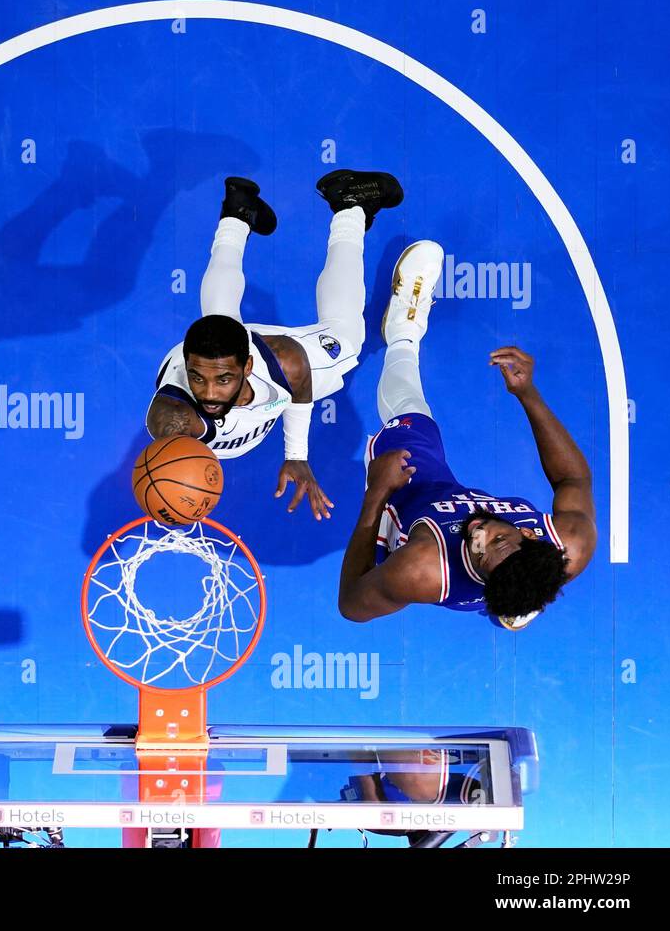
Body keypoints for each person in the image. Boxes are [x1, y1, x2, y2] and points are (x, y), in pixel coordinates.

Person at [337, 242, 597, 628]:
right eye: (497, 540)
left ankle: (403, 332)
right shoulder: (568, 545)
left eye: (479, 553)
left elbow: (351, 604)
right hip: (485, 542)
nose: (478, 535)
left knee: (411, 418)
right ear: (530, 534)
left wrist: (377, 493)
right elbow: (573, 478)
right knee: (530, 586)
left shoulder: (422, 569)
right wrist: (528, 394)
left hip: (413, 500)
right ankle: (516, 601)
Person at [147, 170, 402, 519]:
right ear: (188, 366)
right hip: (210, 354)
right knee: (218, 317)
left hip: (267, 357)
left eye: (222, 381)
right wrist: (167, 489)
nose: (207, 393)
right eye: (197, 378)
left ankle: (350, 205)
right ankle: (238, 214)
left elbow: (300, 386)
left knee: (347, 338)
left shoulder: (285, 364)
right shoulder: (178, 416)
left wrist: (296, 453)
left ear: (247, 367)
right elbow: (164, 447)